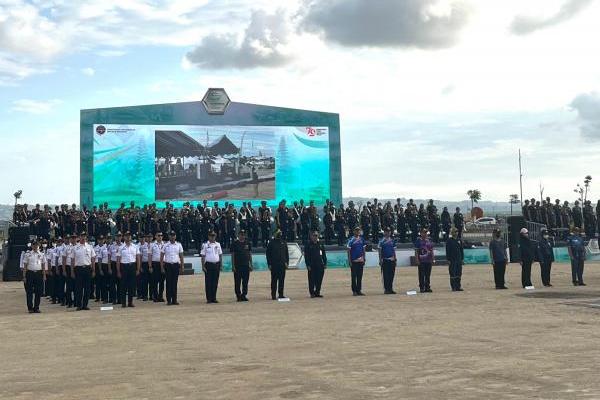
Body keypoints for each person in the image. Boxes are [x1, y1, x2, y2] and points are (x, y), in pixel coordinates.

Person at [72, 232, 96, 311]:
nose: (83, 237)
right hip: (78, 269)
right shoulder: (75, 247)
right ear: (79, 237)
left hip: (87, 268)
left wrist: (93, 270)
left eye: (84, 236)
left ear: (86, 237)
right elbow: (72, 260)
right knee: (78, 288)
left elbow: (93, 259)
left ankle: (85, 305)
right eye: (82, 236)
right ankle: (79, 305)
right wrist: (72, 271)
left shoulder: (90, 247)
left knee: (87, 288)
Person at [117, 232, 140, 308]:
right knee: (123, 286)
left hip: (132, 266)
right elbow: (118, 260)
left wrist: (138, 269)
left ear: (131, 237)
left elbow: (138, 258)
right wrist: (118, 271)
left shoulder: (135, 246)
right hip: (124, 266)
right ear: (124, 237)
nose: (128, 237)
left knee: (131, 286)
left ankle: (130, 302)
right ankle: (123, 303)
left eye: (129, 236)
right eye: (126, 236)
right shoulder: (120, 247)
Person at [23, 241, 47, 313]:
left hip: (38, 273)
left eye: (37, 245)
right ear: (32, 246)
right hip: (30, 273)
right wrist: (24, 276)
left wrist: (44, 275)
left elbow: (43, 265)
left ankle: (36, 307)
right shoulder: (28, 254)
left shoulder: (42, 254)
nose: (35, 246)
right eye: (34, 245)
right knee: (29, 291)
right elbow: (25, 266)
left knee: (38, 291)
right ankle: (30, 308)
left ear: (38, 245)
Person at [161, 231, 184, 305]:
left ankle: (174, 299)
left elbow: (181, 256)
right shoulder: (165, 245)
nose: (172, 237)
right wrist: (162, 267)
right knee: (168, 283)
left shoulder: (179, 245)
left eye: (173, 235)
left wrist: (182, 266)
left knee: (174, 283)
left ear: (175, 236)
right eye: (171, 235)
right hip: (168, 265)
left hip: (175, 265)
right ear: (169, 236)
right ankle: (169, 300)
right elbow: (161, 257)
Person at [201, 231, 223, 304]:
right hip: (208, 265)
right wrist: (203, 266)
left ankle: (214, 297)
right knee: (208, 282)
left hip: (216, 264)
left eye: (213, 235)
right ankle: (209, 298)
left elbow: (220, 255)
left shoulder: (218, 244)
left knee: (215, 282)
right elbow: (203, 256)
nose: (212, 237)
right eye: (211, 236)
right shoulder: (205, 245)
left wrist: (221, 264)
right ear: (208, 236)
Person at [266, 230, 289, 300]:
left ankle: (281, 294)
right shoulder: (271, 243)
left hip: (282, 265)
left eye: (280, 233)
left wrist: (287, 262)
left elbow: (286, 254)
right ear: (275, 234)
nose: (280, 234)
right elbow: (268, 254)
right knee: (274, 280)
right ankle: (273, 295)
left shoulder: (284, 242)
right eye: (278, 233)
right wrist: (269, 264)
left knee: (282, 280)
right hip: (274, 265)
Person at [231, 230, 253, 302]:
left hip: (246, 265)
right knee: (237, 281)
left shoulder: (248, 243)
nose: (242, 236)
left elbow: (249, 254)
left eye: (243, 235)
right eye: (241, 234)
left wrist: (251, 264)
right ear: (238, 235)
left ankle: (244, 295)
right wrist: (233, 266)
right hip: (237, 266)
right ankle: (238, 295)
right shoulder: (235, 243)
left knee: (245, 281)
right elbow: (233, 255)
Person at [304, 230, 327, 298]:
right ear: (311, 236)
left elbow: (323, 255)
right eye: (314, 235)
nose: (315, 237)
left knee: (319, 280)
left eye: (316, 235)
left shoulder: (320, 244)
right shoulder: (308, 245)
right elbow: (306, 256)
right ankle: (312, 293)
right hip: (312, 265)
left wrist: (325, 263)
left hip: (320, 265)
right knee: (311, 280)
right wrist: (308, 265)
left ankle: (317, 292)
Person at [347, 227, 367, 296]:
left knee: (360, 276)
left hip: (360, 260)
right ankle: (354, 291)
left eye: (358, 230)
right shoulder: (351, 240)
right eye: (356, 230)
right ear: (353, 231)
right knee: (353, 276)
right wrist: (349, 261)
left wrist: (364, 258)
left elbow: (364, 249)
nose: (358, 232)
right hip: (354, 261)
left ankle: (359, 290)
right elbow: (348, 251)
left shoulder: (362, 239)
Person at [378, 227, 397, 294]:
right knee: (385, 275)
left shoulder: (392, 240)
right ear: (384, 232)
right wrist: (380, 260)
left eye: (389, 231)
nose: (388, 233)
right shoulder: (381, 241)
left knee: (392, 274)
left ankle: (390, 288)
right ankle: (386, 289)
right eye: (386, 231)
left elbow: (394, 250)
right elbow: (379, 251)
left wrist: (395, 258)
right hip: (385, 260)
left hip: (392, 259)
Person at [415, 229, 434, 293]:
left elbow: (431, 250)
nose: (425, 234)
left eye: (425, 233)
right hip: (421, 260)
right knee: (421, 274)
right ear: (420, 233)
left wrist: (433, 258)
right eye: (423, 233)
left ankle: (427, 287)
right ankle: (422, 287)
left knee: (428, 275)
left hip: (428, 260)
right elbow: (416, 251)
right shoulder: (418, 241)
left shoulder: (429, 241)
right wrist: (417, 259)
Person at [445, 227, 464, 291]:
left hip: (459, 259)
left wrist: (462, 258)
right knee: (453, 273)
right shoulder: (449, 241)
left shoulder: (459, 240)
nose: (456, 233)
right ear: (452, 233)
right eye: (455, 231)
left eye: (457, 231)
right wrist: (448, 259)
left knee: (459, 273)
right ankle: (453, 287)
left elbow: (461, 250)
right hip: (452, 260)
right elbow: (447, 251)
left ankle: (458, 286)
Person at [149, 232, 165, 302]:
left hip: (163, 264)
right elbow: (150, 256)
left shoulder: (165, 244)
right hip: (155, 264)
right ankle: (155, 296)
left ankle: (160, 296)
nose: (160, 237)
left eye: (161, 235)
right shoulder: (152, 245)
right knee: (155, 281)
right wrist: (150, 266)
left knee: (162, 281)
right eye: (158, 235)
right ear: (155, 236)